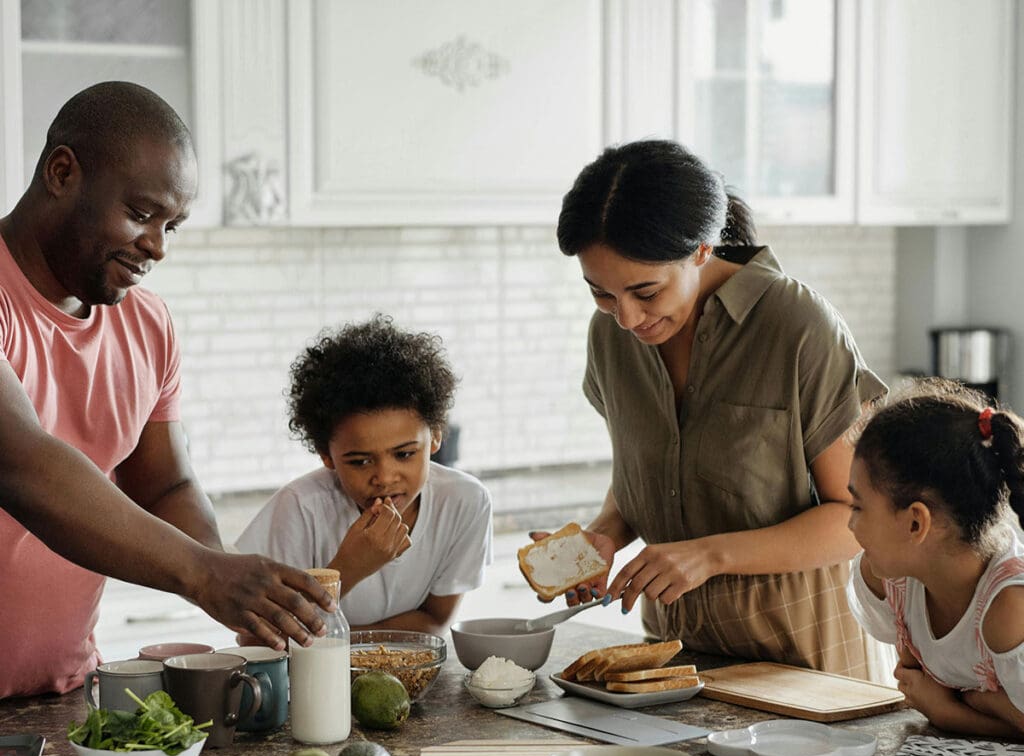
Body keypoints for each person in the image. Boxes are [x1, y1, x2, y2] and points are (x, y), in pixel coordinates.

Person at [0, 82, 332, 700]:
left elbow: (165, 485)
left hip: (62, 696)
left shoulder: (146, 323)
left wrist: (238, 590)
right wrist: (202, 574)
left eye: (171, 226)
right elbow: (19, 463)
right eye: (142, 213)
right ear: (62, 171)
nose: (156, 246)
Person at [546, 138, 890, 679]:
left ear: (703, 250)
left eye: (646, 292)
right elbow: (650, 473)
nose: (628, 318)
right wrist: (605, 536)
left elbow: (856, 520)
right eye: (602, 294)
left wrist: (708, 555)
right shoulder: (609, 338)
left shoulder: (797, 325)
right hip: (675, 663)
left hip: (806, 667)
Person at [236, 315, 493, 633]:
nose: (384, 477)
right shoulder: (300, 508)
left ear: (437, 436)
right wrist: (349, 568)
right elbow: (256, 636)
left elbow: (434, 621)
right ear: (326, 455)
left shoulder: (465, 501)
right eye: (359, 461)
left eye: (404, 454)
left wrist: (337, 641)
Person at [846, 380, 1024, 738]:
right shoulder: (889, 578)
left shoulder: (1009, 608)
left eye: (858, 506)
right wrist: (986, 704)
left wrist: (946, 711)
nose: (850, 524)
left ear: (916, 522)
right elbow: (912, 681)